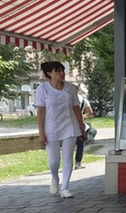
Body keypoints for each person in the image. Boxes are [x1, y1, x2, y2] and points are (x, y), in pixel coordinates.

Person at [35, 61, 88, 199]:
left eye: (63, 71)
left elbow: (77, 109)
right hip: (51, 127)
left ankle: (65, 187)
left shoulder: (70, 89)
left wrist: (82, 128)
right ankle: (54, 178)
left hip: (69, 126)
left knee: (68, 157)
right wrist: (41, 133)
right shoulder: (43, 89)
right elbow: (40, 112)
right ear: (49, 73)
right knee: (54, 160)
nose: (61, 74)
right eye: (58, 71)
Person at [73, 86, 94, 169]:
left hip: (67, 124)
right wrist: (82, 116)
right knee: (80, 144)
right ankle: (78, 163)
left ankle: (67, 163)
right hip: (79, 124)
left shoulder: (65, 98)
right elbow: (90, 112)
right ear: (78, 89)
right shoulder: (84, 100)